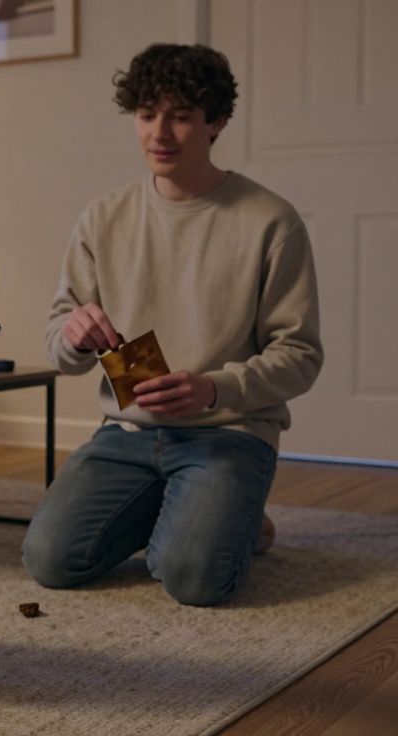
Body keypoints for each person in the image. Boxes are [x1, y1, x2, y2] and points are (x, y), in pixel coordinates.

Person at [22, 43, 324, 607]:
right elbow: (59, 337)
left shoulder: (270, 221)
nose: (159, 133)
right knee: (50, 561)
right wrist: (71, 335)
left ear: (217, 122)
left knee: (192, 578)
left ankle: (228, 514)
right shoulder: (103, 217)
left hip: (228, 434)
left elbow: (301, 355)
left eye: (181, 116)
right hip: (127, 433)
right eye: (146, 114)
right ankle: (194, 509)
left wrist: (216, 388)